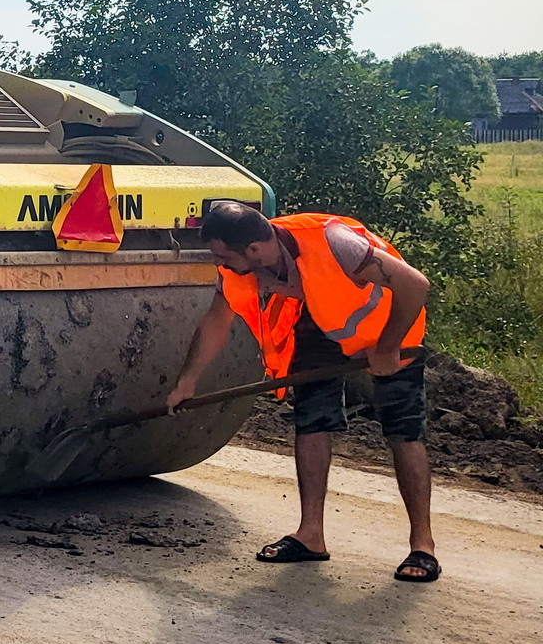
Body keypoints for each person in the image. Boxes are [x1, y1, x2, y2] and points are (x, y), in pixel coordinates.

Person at [170, 201, 437, 582]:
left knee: (402, 429)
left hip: (390, 331)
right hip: (320, 320)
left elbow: (415, 285)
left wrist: (388, 346)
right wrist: (187, 380)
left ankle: (422, 545)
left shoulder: (334, 242)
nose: (221, 264)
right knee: (311, 420)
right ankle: (310, 535)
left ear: (254, 250)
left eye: (223, 257)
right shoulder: (245, 259)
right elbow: (217, 319)